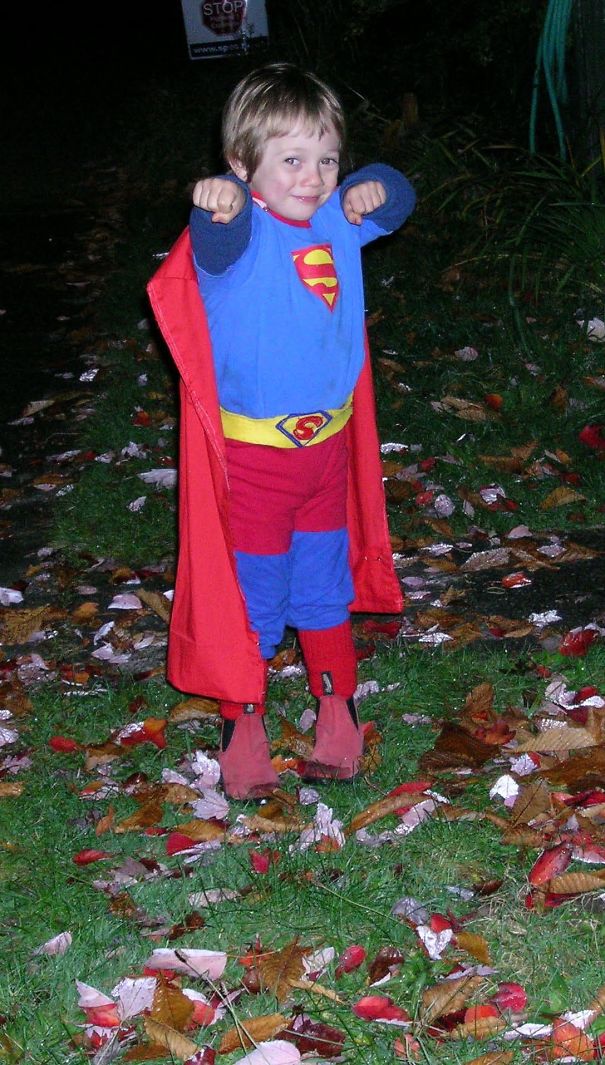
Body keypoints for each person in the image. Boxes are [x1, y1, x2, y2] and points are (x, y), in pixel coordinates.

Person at [148, 62, 416, 800]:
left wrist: (375, 184)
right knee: (257, 596)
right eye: (290, 159)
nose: (313, 175)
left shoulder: (334, 220)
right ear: (243, 162)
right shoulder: (238, 238)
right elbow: (214, 234)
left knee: (324, 587)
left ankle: (338, 706)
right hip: (256, 463)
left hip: (326, 455)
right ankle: (244, 721)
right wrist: (222, 198)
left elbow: (396, 199)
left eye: (326, 157)